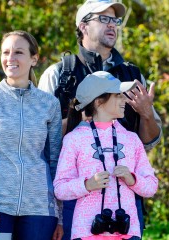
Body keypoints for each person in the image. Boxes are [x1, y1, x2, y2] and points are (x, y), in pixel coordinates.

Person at [38, 1, 162, 238]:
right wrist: (81, 123)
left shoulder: (133, 76)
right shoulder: (59, 74)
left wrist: (146, 113)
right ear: (83, 26)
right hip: (70, 204)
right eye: (103, 19)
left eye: (115, 20)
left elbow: (149, 142)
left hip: (124, 206)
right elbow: (41, 143)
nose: (112, 25)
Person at [0, 30, 63, 240]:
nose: (10, 59)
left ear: (34, 59)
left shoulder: (49, 104)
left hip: (39, 211)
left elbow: (55, 160)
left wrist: (60, 216)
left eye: (18, 52)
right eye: (5, 52)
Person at [53, 71, 158, 240]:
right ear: (99, 101)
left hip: (128, 232)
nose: (124, 99)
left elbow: (152, 186)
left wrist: (132, 179)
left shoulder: (132, 139)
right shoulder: (74, 139)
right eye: (118, 95)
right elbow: (60, 189)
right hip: (87, 232)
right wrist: (87, 184)